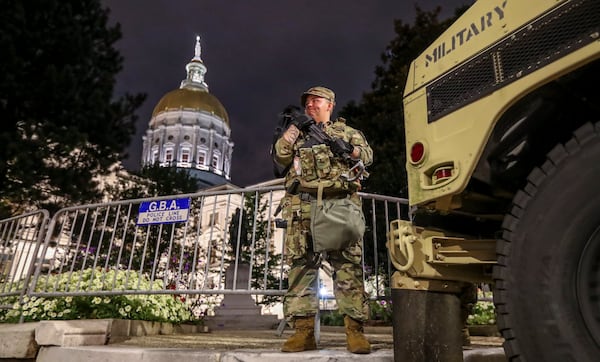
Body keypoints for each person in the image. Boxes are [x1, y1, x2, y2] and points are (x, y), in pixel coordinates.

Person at [272, 86, 374, 354]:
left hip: (338, 205)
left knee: (348, 268)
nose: (310, 106)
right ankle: (304, 333)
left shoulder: (347, 132)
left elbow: (366, 156)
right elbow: (280, 155)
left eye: (316, 101)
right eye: (307, 102)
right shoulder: (297, 133)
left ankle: (355, 332)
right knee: (300, 270)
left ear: (330, 104)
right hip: (302, 208)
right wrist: (295, 126)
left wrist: (347, 149)